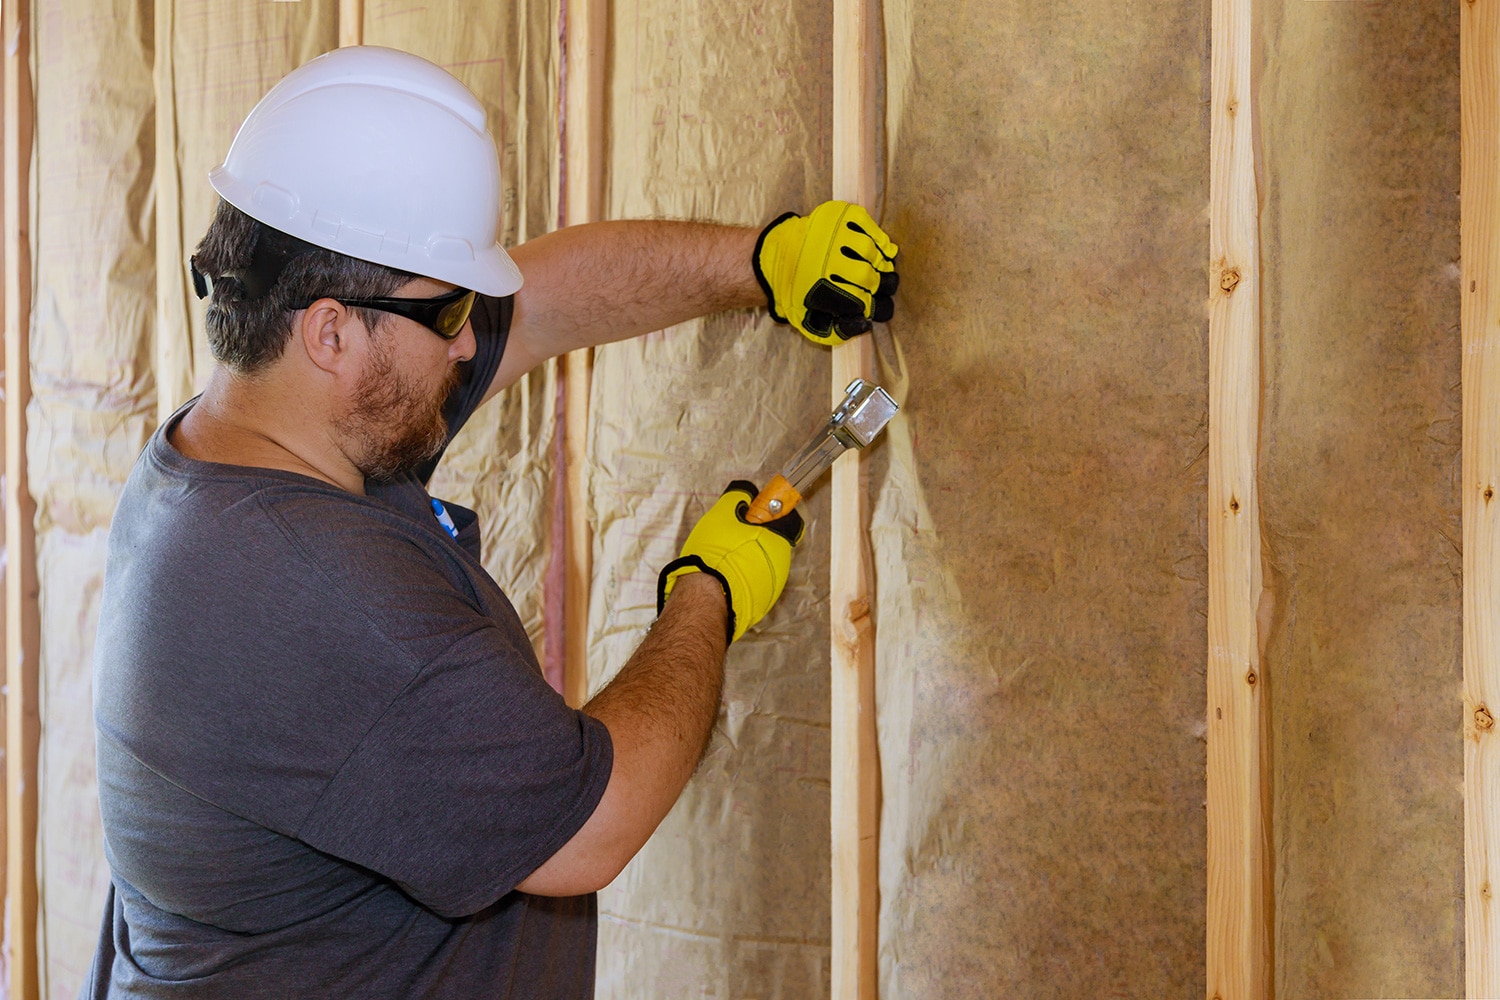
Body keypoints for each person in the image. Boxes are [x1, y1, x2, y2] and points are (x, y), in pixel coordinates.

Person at [83, 46, 898, 999]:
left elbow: (543, 301)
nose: (471, 339)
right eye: (448, 313)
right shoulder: (322, 599)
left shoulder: (253, 438)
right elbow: (593, 825)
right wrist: (708, 592)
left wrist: (764, 262)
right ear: (331, 330)